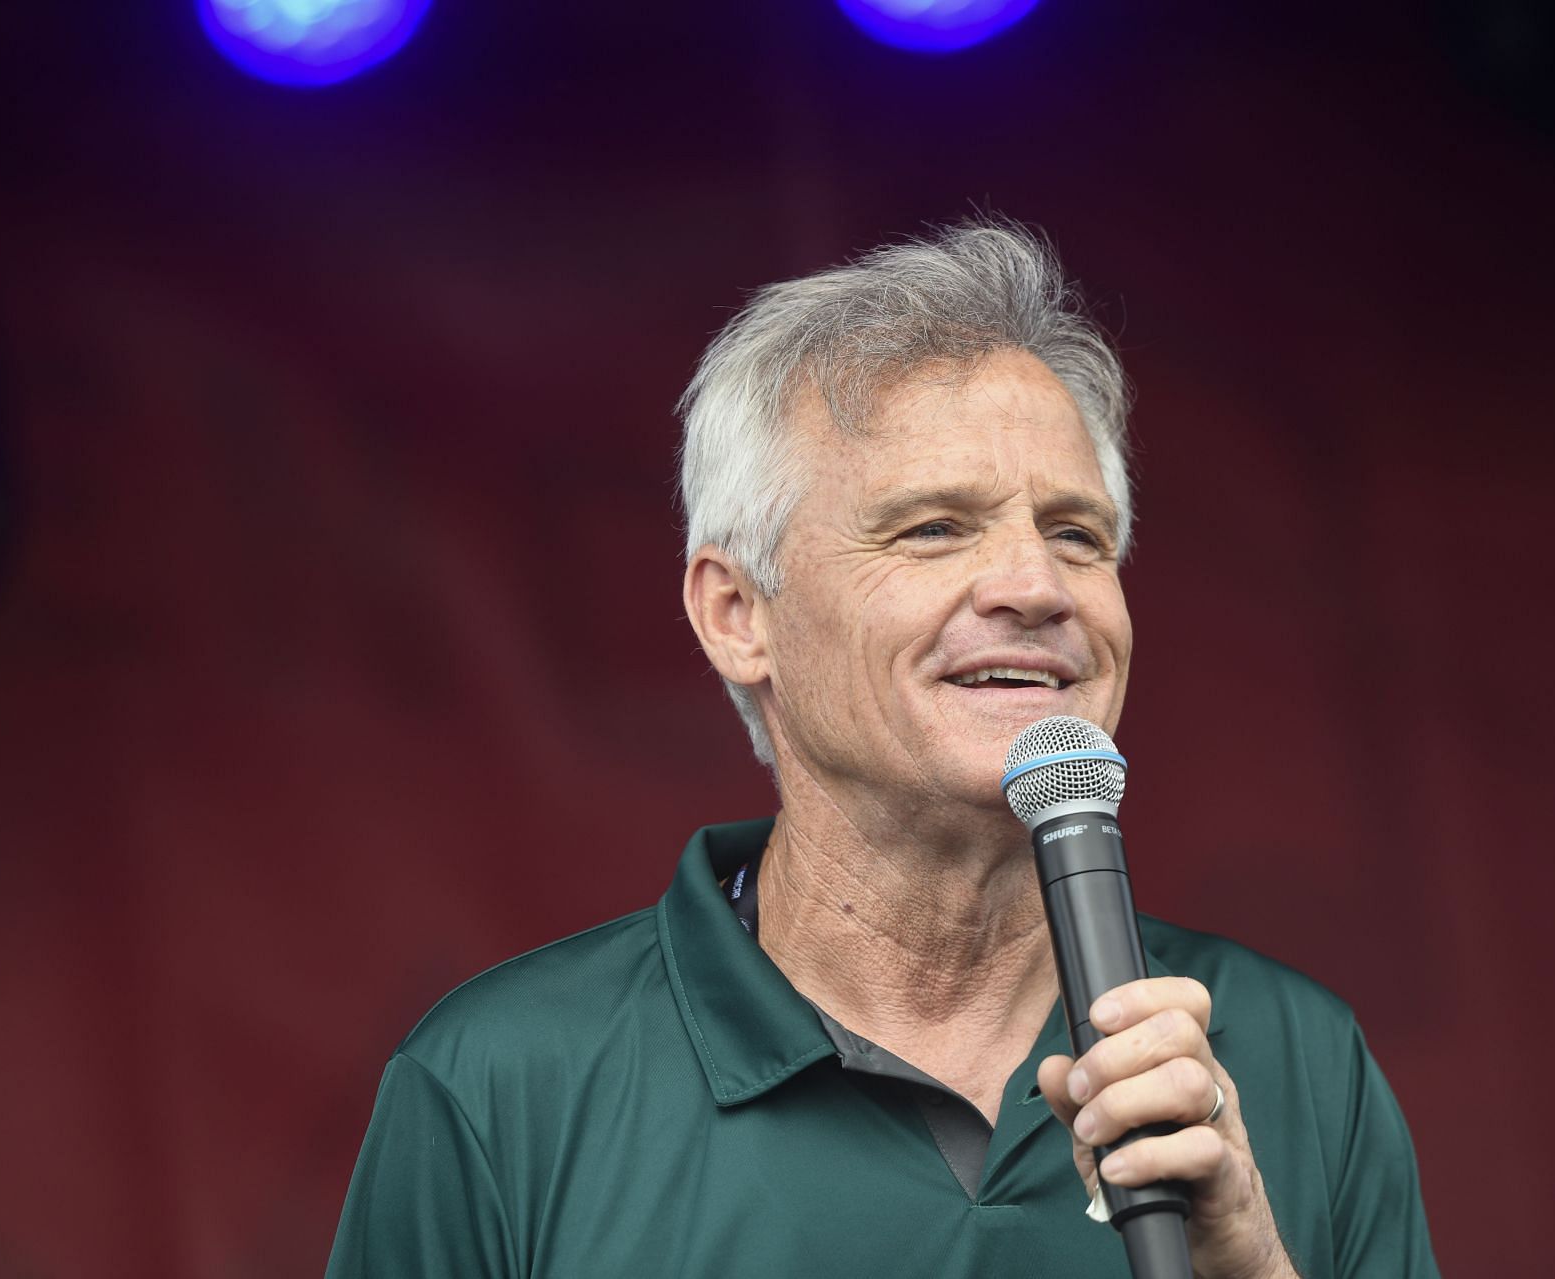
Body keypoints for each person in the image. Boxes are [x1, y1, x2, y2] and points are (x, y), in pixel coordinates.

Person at [324, 221, 1438, 1278]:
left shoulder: (1289, 1050)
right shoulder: (504, 1084)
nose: (1035, 587)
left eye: (1075, 534)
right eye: (934, 527)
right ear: (735, 613)